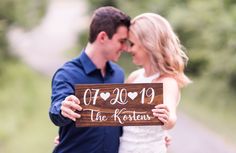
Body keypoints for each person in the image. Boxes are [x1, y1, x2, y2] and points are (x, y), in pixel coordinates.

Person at [49, 6, 131, 153]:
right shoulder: (67, 74)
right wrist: (63, 108)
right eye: (121, 41)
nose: (125, 48)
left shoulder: (118, 74)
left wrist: (155, 135)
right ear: (103, 37)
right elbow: (56, 110)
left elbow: (121, 121)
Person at [118, 13, 191, 153]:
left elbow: (170, 116)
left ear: (148, 44)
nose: (128, 49)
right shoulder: (134, 77)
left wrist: (166, 119)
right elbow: (117, 113)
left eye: (132, 44)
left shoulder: (167, 82)